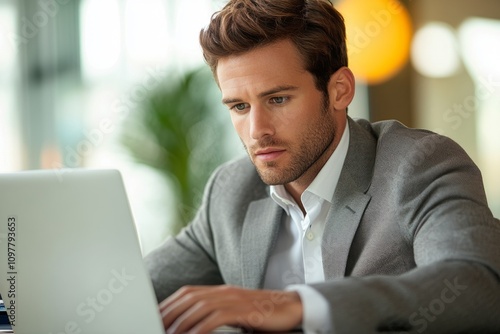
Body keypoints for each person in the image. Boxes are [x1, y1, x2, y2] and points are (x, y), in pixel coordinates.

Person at [144, 0, 500, 333]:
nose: (257, 131)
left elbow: (476, 286)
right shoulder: (231, 191)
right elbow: (138, 290)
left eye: (278, 99)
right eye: (239, 107)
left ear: (340, 90)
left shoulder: (419, 164)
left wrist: (298, 304)